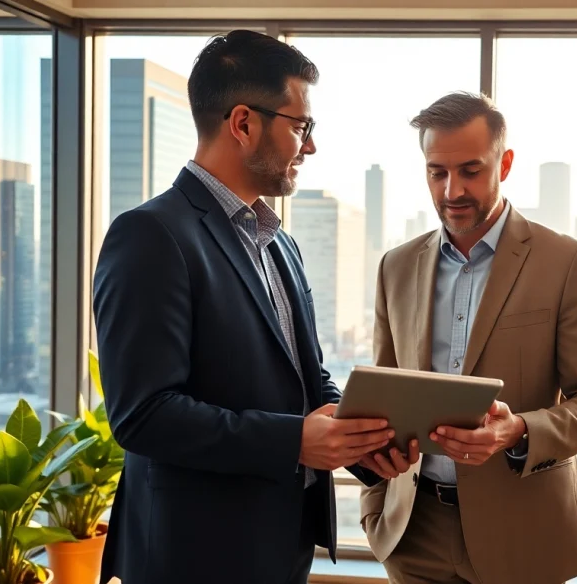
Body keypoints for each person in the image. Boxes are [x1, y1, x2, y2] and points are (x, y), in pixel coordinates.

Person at [92, 30, 395, 584]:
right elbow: (143, 415)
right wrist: (295, 441)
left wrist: (361, 444)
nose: (310, 146)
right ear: (243, 123)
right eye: (302, 126)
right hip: (193, 555)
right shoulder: (149, 236)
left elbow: (307, 378)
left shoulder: (279, 240)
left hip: (281, 543)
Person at [357, 91, 577, 584]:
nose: (452, 189)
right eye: (437, 172)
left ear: (504, 162)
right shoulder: (394, 267)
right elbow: (382, 399)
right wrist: (374, 505)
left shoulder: (566, 262)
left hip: (523, 537)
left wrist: (517, 430)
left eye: (470, 170)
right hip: (412, 536)